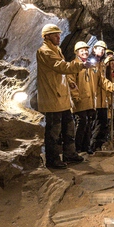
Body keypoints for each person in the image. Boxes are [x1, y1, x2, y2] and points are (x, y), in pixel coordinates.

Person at [36, 25, 86, 169]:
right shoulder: (44, 51)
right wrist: (81, 65)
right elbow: (61, 67)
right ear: (47, 36)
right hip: (52, 96)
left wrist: (70, 84)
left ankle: (69, 154)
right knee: (54, 131)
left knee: (69, 127)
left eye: (59, 34)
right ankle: (52, 160)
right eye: (55, 35)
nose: (59, 37)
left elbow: (61, 71)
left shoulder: (56, 50)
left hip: (61, 96)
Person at [90, 41, 114, 151]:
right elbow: (100, 81)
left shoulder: (101, 65)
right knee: (96, 124)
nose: (101, 51)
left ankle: (97, 147)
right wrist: (112, 87)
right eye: (99, 49)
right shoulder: (91, 64)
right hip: (95, 99)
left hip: (103, 100)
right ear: (94, 49)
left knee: (102, 124)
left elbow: (102, 81)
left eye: (103, 50)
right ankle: (91, 147)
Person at [71, 40, 97, 155]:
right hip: (80, 100)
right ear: (77, 52)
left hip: (89, 100)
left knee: (88, 123)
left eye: (86, 50)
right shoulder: (74, 65)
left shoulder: (89, 66)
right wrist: (75, 96)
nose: (85, 52)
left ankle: (86, 147)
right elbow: (71, 82)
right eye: (82, 51)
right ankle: (77, 147)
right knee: (81, 122)